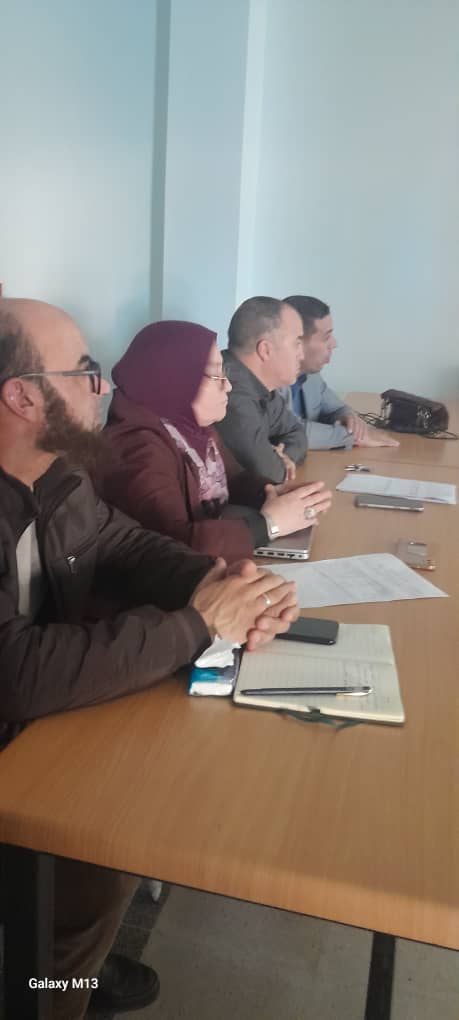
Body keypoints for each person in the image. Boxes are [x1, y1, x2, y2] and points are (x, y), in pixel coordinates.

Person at [0, 298, 298, 1020]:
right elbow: (14, 673)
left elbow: (125, 543)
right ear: (22, 397)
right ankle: (49, 984)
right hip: (17, 725)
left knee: (141, 814)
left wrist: (225, 586)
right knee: (98, 868)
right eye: (84, 372)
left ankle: (68, 960)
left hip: (41, 725)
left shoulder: (59, 473)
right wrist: (199, 623)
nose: (102, 387)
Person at [101, 321, 332, 560]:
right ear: (176, 378)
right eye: (216, 375)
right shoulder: (137, 447)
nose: (227, 386)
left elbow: (234, 478)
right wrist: (269, 525)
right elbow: (173, 546)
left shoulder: (191, 428)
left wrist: (273, 493)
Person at [282, 295, 399, 450]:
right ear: (297, 342)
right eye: (326, 337)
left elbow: (337, 408)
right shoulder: (270, 381)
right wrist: (351, 436)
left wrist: (350, 420)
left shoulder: (311, 376)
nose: (334, 344)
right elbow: (287, 432)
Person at [215, 297, 308, 483]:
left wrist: (285, 457)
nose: (302, 354)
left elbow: (296, 432)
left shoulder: (261, 386)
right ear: (265, 350)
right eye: (296, 343)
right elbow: (267, 472)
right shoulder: (229, 392)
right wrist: (278, 463)